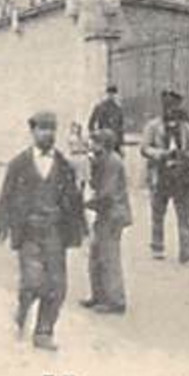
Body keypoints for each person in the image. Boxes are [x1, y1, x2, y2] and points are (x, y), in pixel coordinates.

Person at [0, 111, 87, 351]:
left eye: (52, 128)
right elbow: (6, 195)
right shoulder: (19, 164)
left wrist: (80, 229)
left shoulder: (64, 165)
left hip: (55, 232)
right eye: (43, 128)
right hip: (29, 232)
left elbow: (73, 199)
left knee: (56, 285)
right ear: (33, 131)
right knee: (32, 281)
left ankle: (44, 332)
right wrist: (2, 224)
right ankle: (23, 308)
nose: (48, 133)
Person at [141, 90, 189, 263]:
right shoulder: (153, 126)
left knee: (184, 212)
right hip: (160, 174)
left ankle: (187, 249)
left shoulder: (186, 128)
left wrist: (186, 155)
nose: (171, 111)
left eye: (174, 107)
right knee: (158, 212)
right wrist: (162, 154)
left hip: (181, 175)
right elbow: (145, 148)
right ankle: (157, 246)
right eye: (168, 107)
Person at [81, 127, 130, 314]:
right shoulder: (103, 160)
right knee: (96, 255)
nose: (91, 145)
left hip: (112, 214)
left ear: (103, 144)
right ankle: (99, 296)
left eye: (95, 142)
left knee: (109, 256)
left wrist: (87, 204)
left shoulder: (112, 162)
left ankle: (115, 300)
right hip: (106, 213)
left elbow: (107, 194)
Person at [88, 84, 125, 152]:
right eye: (109, 94)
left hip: (114, 141)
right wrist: (95, 135)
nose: (111, 96)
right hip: (103, 140)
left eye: (113, 94)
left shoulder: (118, 108)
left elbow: (121, 126)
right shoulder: (100, 106)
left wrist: (121, 143)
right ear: (106, 94)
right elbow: (91, 123)